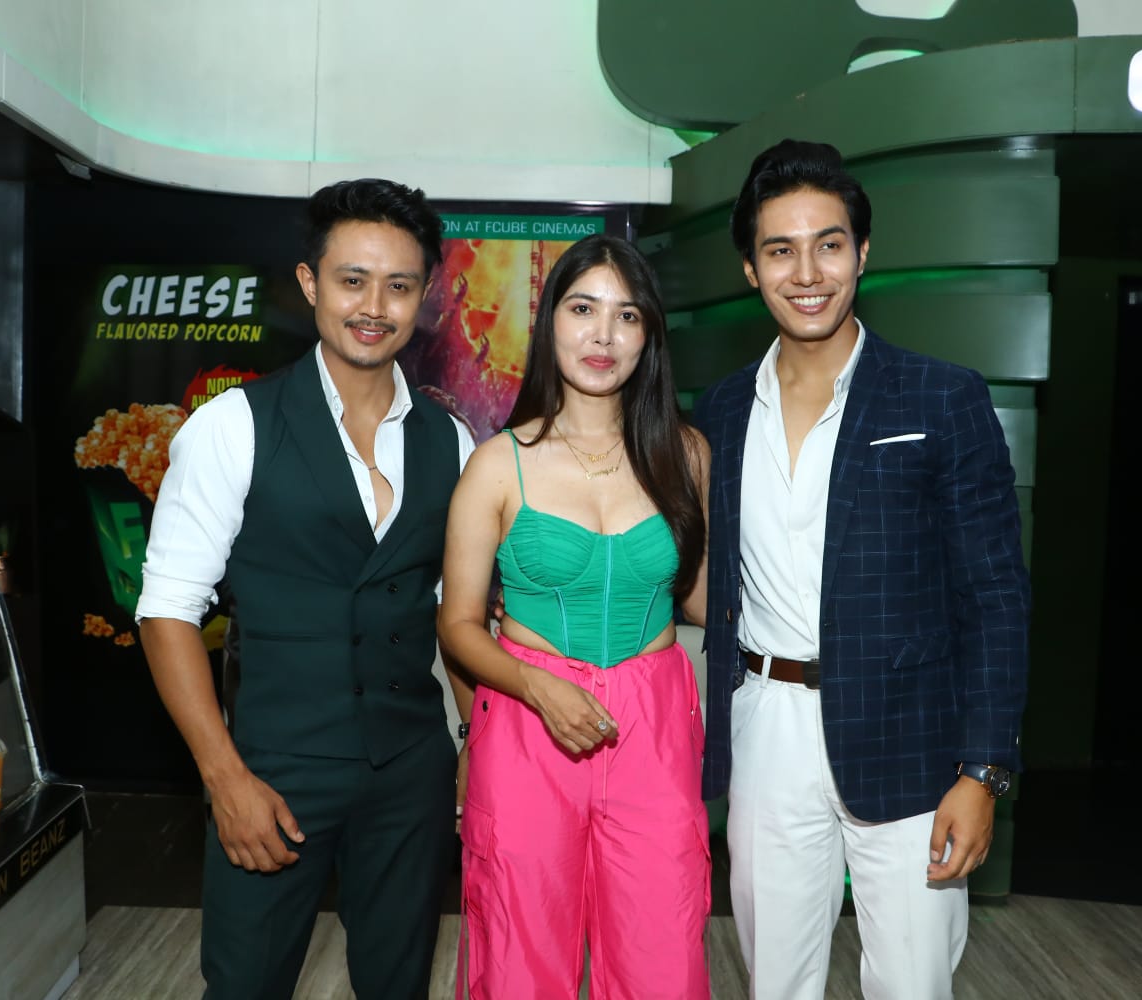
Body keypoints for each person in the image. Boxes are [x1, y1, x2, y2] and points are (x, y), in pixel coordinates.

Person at [692, 139, 1031, 1000]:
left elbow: (996, 597)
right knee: (777, 980)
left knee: (912, 984)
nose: (808, 272)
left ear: (863, 253)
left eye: (829, 244)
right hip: (766, 728)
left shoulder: (941, 397)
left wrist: (984, 772)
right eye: (781, 249)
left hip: (912, 740)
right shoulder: (722, 410)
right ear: (750, 268)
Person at [136, 177, 476, 1000]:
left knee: (398, 983)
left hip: (410, 771)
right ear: (309, 283)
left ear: (425, 296)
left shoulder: (453, 440)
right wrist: (224, 779)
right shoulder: (233, 426)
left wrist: (476, 747)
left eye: (399, 286)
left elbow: (455, 614)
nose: (374, 307)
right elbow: (167, 611)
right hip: (274, 768)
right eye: (353, 280)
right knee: (247, 984)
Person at [438, 233, 712, 999]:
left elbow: (703, 597)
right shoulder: (498, 463)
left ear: (649, 335)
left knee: (664, 951)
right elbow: (457, 624)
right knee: (520, 953)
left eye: (627, 316)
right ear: (549, 321)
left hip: (654, 721)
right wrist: (537, 687)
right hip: (527, 716)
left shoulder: (686, 454)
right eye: (583, 309)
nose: (603, 335)